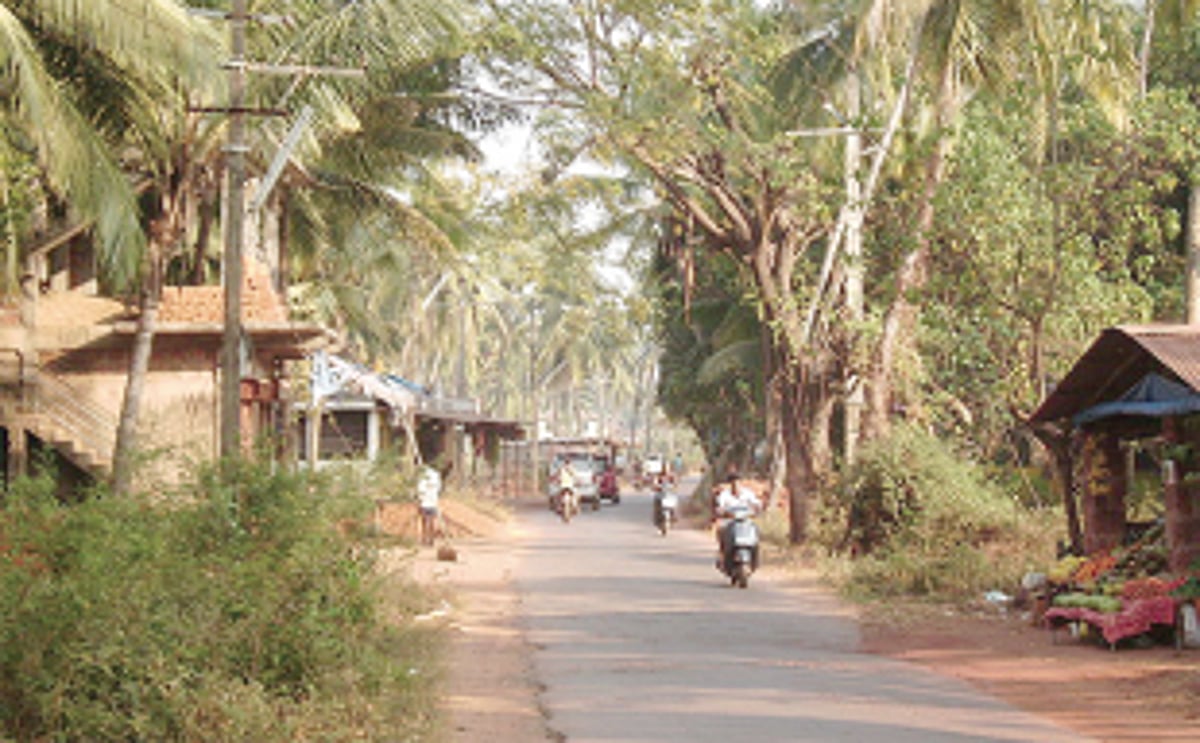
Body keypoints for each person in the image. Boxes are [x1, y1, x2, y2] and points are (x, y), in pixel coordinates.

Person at [712, 472, 762, 566]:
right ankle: (722, 554)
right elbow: (720, 506)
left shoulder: (747, 493)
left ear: (740, 483)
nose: (736, 485)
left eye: (737, 482)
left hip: (745, 520)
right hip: (729, 520)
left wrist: (757, 507)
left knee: (756, 530)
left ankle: (755, 555)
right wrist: (721, 511)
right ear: (730, 484)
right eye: (733, 483)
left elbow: (756, 502)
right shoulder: (725, 495)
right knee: (721, 530)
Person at [417, 461, 442, 545]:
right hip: (433, 500)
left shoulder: (423, 476)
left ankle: (424, 538)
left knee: (424, 520)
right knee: (431, 520)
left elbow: (420, 489)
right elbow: (439, 488)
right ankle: (431, 539)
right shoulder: (436, 475)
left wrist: (419, 499)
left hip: (425, 500)